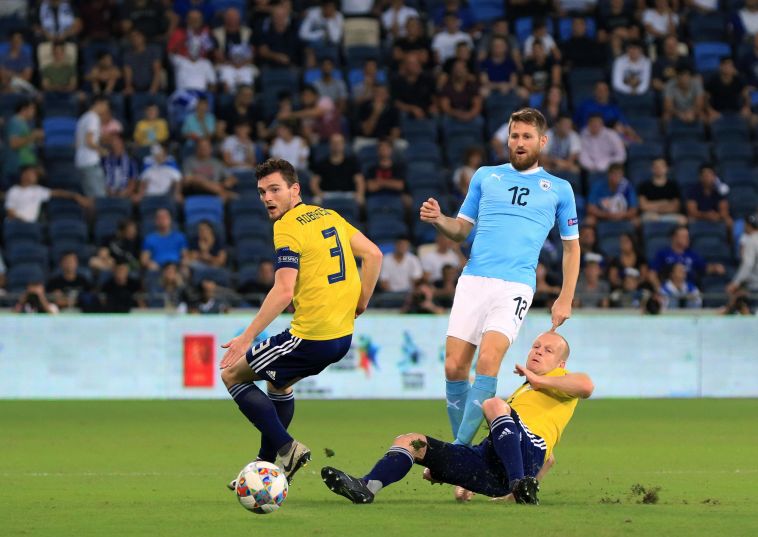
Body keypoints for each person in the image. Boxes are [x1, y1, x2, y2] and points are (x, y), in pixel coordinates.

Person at [418, 108, 580, 499]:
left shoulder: (559, 189)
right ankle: (469, 461)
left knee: (488, 361)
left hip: (515, 285)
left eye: (527, 136)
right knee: (454, 367)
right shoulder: (485, 177)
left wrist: (565, 296)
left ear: (542, 141)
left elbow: (572, 248)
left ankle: (458, 457)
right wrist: (440, 219)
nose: (519, 143)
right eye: (514, 136)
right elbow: (461, 231)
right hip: (474, 280)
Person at [220, 159, 383, 485]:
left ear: (294, 189)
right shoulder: (328, 215)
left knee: (232, 375)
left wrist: (247, 337)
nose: (267, 198)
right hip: (341, 338)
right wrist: (362, 300)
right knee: (279, 385)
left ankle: (287, 449)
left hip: (309, 337)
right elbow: (374, 254)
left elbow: (283, 291)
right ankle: (265, 467)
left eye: (275, 189)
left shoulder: (287, 227)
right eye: (262, 192)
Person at [320, 331, 593, 505]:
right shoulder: (521, 394)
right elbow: (550, 460)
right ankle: (367, 487)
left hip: (526, 453)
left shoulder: (562, 380)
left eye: (548, 350)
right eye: (536, 346)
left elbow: (586, 386)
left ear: (561, 363)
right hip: (493, 463)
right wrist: (506, 493)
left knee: (493, 404)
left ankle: (518, 483)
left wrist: (538, 380)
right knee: (411, 442)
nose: (538, 351)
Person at [4, 166, 88, 223]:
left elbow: (58, 193)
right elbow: (10, 212)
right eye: (31, 174)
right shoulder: (14, 190)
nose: (33, 177)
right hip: (15, 224)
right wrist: (23, 222)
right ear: (23, 175)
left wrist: (75, 196)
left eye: (35, 175)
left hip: (30, 226)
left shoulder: (38, 190)